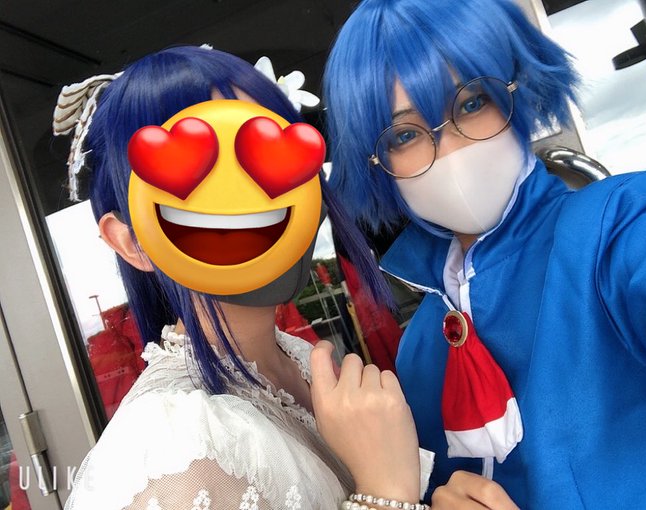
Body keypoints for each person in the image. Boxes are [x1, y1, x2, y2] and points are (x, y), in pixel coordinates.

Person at [321, 0, 646, 507]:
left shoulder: (622, 229)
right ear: (378, 163)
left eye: (471, 104)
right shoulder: (419, 349)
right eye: (405, 135)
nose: (450, 150)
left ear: (517, 89)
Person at [54, 45, 436, 510]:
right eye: (206, 177)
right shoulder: (171, 451)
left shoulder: (294, 358)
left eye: (273, 152)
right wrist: (386, 494)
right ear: (131, 242)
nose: (259, 194)